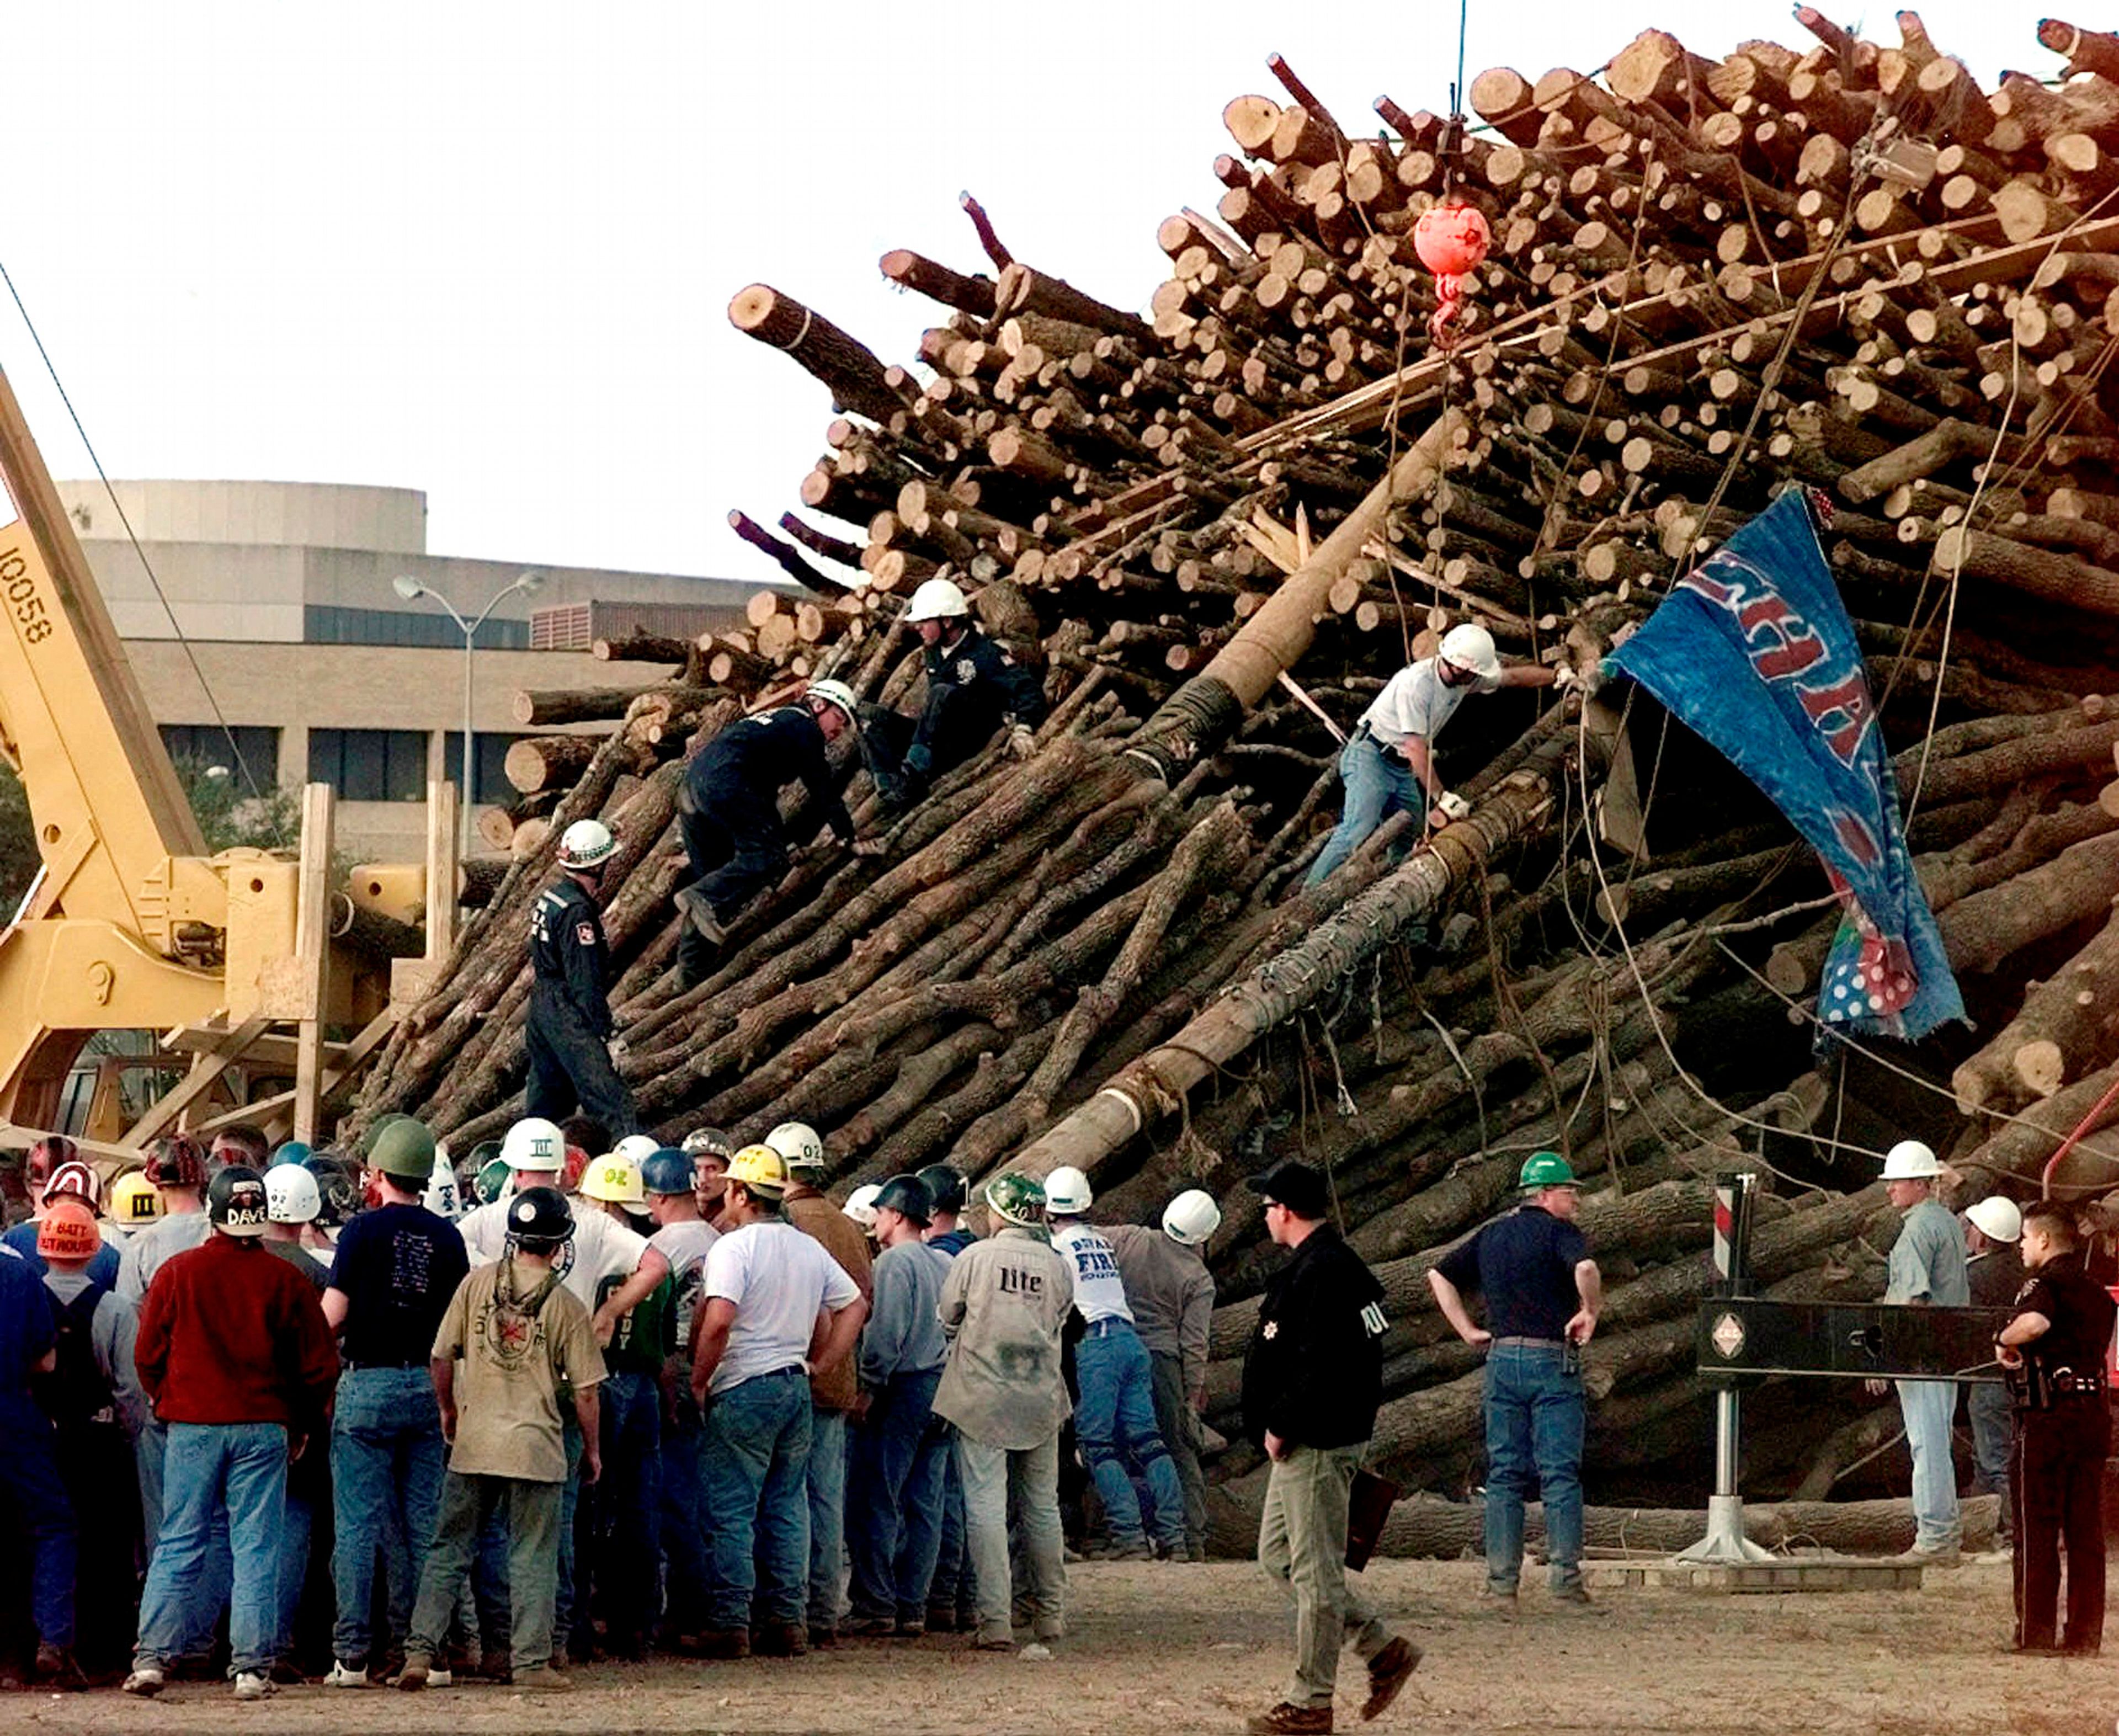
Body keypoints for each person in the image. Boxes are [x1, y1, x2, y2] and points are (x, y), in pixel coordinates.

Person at [124, 1166, 338, 1702]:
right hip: (264, 1426)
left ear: (214, 1214)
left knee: (179, 1540)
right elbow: (319, 1366)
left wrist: (166, 1397)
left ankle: (152, 1656)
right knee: (257, 1546)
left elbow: (147, 1352)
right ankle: (250, 1667)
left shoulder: (178, 1272)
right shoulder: (285, 1280)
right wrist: (301, 1421)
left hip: (193, 1424)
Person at [399, 1186, 604, 1694]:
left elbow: (441, 1356)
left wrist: (448, 1410)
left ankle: (419, 1653)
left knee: (449, 1550)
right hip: (535, 1447)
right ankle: (530, 1662)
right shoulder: (566, 1306)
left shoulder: (476, 1285)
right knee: (533, 1555)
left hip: (475, 1441)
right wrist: (593, 1450)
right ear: (559, 1244)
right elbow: (586, 1394)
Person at [1243, 1160, 1416, 1735]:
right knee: (1278, 1555)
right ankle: (1380, 1645)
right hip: (1311, 1436)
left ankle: (1310, 1700)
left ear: (1286, 1209)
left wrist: (1283, 1421)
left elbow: (1323, 1362)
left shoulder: (1325, 1270)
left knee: (1316, 1575)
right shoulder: (1331, 1265)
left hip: (1314, 1439)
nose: (1264, 1216)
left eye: (1267, 1206)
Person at [689, 1144, 867, 1658]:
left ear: (741, 1193)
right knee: (789, 1506)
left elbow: (719, 1319)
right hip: (794, 1386)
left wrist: (700, 1381)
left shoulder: (734, 1249)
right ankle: (788, 1620)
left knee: (732, 1510)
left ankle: (731, 1622)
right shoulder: (807, 1248)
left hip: (745, 1385)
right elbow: (855, 1305)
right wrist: (823, 1363)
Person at [320, 1118, 469, 1690]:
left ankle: (351, 1656)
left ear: (376, 1174)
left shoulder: (359, 1233)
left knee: (357, 1525)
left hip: (368, 1384)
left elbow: (332, 1315)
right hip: (430, 1387)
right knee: (425, 1525)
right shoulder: (449, 1237)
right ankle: (424, 1652)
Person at [1429, 1151, 1599, 1610]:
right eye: (1569, 1191)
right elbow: (1585, 1269)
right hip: (1551, 1359)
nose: (1575, 1200)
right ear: (1546, 1195)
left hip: (1502, 1359)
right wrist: (1589, 1311)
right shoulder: (1561, 1234)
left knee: (1504, 1473)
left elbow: (1438, 1274)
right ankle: (1565, 1581)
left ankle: (1501, 1583)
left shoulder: (1492, 1234)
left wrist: (1466, 1330)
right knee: (1559, 1473)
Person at [1305, 623, 1562, 890]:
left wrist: (1557, 675)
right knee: (1356, 831)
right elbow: (1416, 747)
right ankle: (1310, 896)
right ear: (1458, 667)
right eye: (1473, 672)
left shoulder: (1464, 678)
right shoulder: (1417, 685)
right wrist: (1442, 796)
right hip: (1372, 756)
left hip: (1401, 765)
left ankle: (1389, 891)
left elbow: (1513, 678)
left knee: (1410, 834)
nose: (1477, 678)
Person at [934, 1173, 1073, 1653]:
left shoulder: (974, 1257)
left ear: (1001, 1213)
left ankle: (995, 1621)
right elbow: (1060, 1319)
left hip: (983, 1398)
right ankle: (1051, 1614)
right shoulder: (1056, 1265)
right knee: (1042, 1507)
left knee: (986, 1508)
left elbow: (948, 1316)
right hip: (1040, 1396)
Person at [672, 682, 877, 986]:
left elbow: (762, 801)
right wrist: (847, 835)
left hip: (691, 793)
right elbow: (822, 788)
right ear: (819, 705)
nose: (841, 729)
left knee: (717, 889)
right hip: (725, 786)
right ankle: (699, 896)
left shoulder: (775, 726)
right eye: (840, 717)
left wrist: (786, 841)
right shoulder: (804, 727)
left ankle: (690, 976)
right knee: (763, 860)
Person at [1042, 1165, 1186, 1561]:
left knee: (1098, 1446)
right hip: (1130, 1340)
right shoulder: (1101, 1244)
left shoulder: (1055, 1249)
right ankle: (1175, 1537)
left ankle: (1130, 1538)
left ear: (1048, 1210)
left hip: (1096, 1345)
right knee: (1149, 1442)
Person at [33, 1195, 146, 1681]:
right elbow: (131, 1388)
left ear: (44, 1247)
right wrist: (129, 1435)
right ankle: (102, 1653)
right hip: (99, 1442)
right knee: (107, 1548)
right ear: (94, 1250)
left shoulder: (26, 1296)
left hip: (40, 1439)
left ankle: (45, 1641)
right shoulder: (116, 1309)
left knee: (41, 1541)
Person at [772, 1120, 875, 1647]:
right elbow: (864, 1300)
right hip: (838, 1378)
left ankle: (791, 1608)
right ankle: (825, 1610)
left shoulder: (784, 1223)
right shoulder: (847, 1225)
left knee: (787, 1498)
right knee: (826, 1497)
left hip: (790, 1371)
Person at [1998, 1200, 2116, 1655]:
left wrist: (2002, 1339)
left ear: (2045, 1239)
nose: (2022, 1246)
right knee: (2086, 1531)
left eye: (2026, 1238)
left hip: (2048, 1417)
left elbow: (2035, 1322)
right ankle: (2085, 1636)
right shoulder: (2096, 1293)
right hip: (2094, 1416)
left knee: (2037, 1528)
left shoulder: (2043, 1284)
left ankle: (2036, 1633)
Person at [573, 1152, 673, 1659]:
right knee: (639, 1508)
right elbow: (666, 1340)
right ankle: (636, 1625)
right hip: (644, 1388)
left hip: (599, 1384)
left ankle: (579, 1627)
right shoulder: (653, 1258)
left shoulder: (588, 1251)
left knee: (587, 1507)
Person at [846, 1174, 952, 1636]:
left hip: (903, 1388)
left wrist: (868, 1386)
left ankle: (877, 1603)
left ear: (894, 1215)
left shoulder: (894, 1265)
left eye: (880, 1213)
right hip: (943, 1387)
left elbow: (887, 1335)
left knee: (879, 1495)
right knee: (926, 1500)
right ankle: (915, 1604)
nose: (876, 1222)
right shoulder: (943, 1263)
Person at [1865, 1139, 1969, 1565]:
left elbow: (1912, 1302)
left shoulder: (1915, 1231)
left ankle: (1936, 1538)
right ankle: (1945, 1531)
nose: (1889, 1190)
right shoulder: (1946, 1222)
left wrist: (1887, 1357)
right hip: (1946, 1350)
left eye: (1896, 1182)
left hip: (1922, 1353)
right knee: (1936, 1442)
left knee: (1925, 1446)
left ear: (1919, 1183)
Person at [859, 577, 1044, 810]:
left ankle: (914, 774)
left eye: (925, 622)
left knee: (942, 692)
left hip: (967, 741)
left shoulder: (986, 654)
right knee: (867, 715)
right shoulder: (933, 652)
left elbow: (1028, 689)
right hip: (934, 740)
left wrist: (1024, 727)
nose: (918, 628)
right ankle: (890, 789)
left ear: (946, 621)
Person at [1106, 1187, 1221, 1563]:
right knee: (1177, 1449)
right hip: (1162, 1363)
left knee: (1109, 1443)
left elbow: (1077, 1237)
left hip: (1115, 1351)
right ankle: (1188, 1540)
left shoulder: (1130, 1238)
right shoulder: (1198, 1279)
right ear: (1204, 1236)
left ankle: (1109, 1535)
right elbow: (1194, 1342)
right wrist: (1192, 1394)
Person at [641, 1147, 720, 1653]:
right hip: (716, 1362)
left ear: (661, 1195)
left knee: (670, 1496)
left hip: (672, 1364)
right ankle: (710, 1605)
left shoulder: (657, 1248)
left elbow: (655, 1322)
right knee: (710, 1495)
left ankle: (682, 1610)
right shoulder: (719, 1240)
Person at [1, 1223, 81, 1687]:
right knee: (52, 1524)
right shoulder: (20, 1273)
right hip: (13, 1415)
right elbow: (47, 1361)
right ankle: (52, 1641)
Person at [260, 1163, 329, 1677]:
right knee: (293, 1529)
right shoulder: (318, 1276)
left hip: (228, 1415)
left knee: (224, 1531)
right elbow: (326, 1358)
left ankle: (221, 1641)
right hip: (298, 1420)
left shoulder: (228, 1262)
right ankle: (277, 1644)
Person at [525, 818, 635, 1135]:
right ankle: (625, 1164)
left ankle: (531, 1164)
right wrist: (606, 1034)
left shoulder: (552, 897)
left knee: (548, 1102)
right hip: (566, 1008)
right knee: (612, 1102)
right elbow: (585, 984)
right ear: (597, 864)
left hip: (542, 1005)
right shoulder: (577, 912)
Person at [916, 1162, 978, 1633]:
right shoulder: (978, 1251)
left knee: (939, 1495)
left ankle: (940, 1595)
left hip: (942, 1381)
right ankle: (966, 1598)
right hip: (980, 1382)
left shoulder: (940, 1259)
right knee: (967, 1495)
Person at [1964, 1195, 2025, 1550]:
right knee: (1992, 1455)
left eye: (1973, 1227)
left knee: (1995, 1458)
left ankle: (2017, 1531)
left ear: (1984, 1237)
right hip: (2021, 1376)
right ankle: (1982, 1525)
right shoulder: (2027, 1271)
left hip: (1988, 1378)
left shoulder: (1975, 1275)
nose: (1969, 1233)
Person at [116, 1134, 213, 1304]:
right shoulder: (224, 1235)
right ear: (202, 1178)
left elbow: (128, 1315)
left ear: (157, 1184)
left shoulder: (140, 1245)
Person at [3, 1147, 122, 1285]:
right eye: (64, 1203)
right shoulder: (109, 1257)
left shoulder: (15, 1239)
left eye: (78, 1205)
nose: (69, 1211)